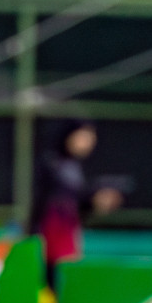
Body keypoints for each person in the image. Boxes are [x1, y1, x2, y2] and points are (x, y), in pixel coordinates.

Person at [30, 120, 124, 282]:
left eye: (90, 137)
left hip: (67, 239)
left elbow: (78, 204)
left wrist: (95, 200)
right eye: (83, 137)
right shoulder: (52, 164)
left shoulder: (78, 167)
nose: (88, 142)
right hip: (50, 238)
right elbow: (53, 202)